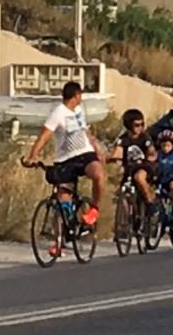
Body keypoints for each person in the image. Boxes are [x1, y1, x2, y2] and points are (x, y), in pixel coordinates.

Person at [23, 82, 106, 239]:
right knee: (62, 202)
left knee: (99, 175)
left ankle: (94, 209)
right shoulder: (58, 113)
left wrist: (96, 149)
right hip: (65, 159)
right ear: (76, 96)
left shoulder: (79, 110)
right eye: (80, 95)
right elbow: (44, 136)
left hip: (85, 153)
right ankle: (58, 241)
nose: (81, 98)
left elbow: (85, 132)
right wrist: (33, 156)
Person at [109, 109, 157, 210]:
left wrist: (150, 158)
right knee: (119, 191)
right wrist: (110, 158)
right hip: (129, 168)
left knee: (139, 177)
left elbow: (151, 152)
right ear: (128, 125)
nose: (140, 127)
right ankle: (125, 216)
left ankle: (150, 203)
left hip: (145, 167)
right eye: (137, 125)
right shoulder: (123, 139)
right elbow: (117, 153)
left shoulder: (145, 137)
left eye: (142, 124)